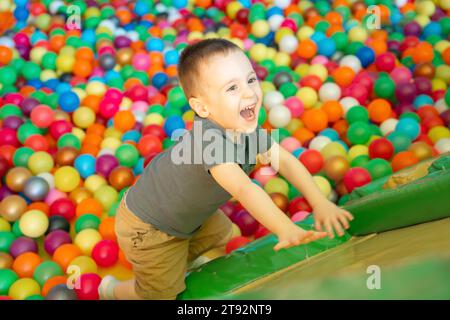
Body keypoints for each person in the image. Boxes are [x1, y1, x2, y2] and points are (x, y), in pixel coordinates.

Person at [98, 38, 354, 300]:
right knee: (159, 294)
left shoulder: (244, 128)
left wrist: (320, 203)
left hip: (188, 215)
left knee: (222, 232)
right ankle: (113, 291)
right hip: (150, 227)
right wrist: (284, 228)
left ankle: (179, 263)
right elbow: (244, 188)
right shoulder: (209, 141)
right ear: (202, 107)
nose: (249, 93)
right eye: (232, 88)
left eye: (251, 80)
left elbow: (286, 161)